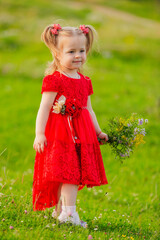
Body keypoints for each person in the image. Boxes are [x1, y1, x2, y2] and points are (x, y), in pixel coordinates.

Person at [32, 23, 109, 228]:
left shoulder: (85, 81)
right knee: (67, 174)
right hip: (60, 134)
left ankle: (62, 213)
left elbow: (88, 109)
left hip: (81, 135)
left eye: (82, 51)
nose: (78, 56)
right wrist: (39, 134)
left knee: (70, 174)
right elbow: (44, 108)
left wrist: (98, 131)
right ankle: (68, 214)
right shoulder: (54, 80)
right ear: (57, 53)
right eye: (71, 51)